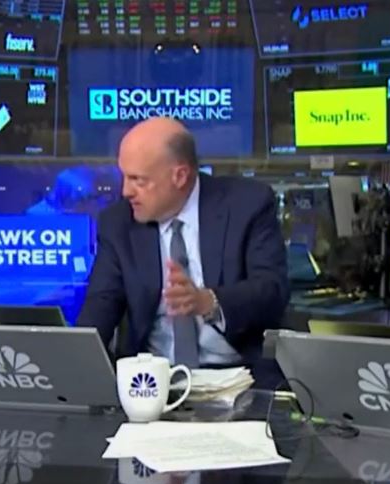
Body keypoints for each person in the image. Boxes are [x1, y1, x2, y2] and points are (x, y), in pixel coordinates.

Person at [77, 118, 289, 373]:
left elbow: (272, 290)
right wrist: (76, 364)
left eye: (138, 180)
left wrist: (209, 302)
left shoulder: (247, 205)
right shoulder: (118, 223)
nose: (126, 191)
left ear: (179, 176)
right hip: (152, 378)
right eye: (124, 176)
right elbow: (101, 304)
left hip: (237, 373)